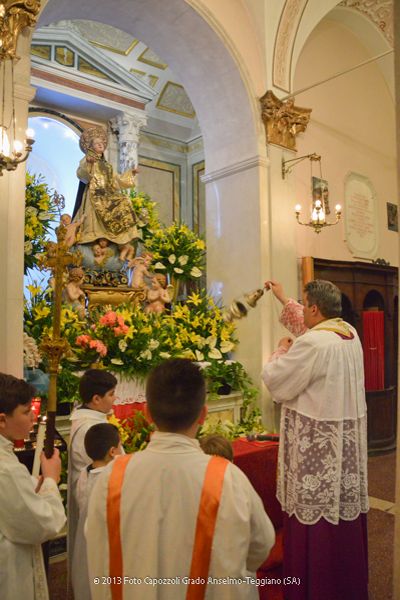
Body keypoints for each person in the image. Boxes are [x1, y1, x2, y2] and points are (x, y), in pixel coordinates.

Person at [86, 359, 275, 600]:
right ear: (203, 414)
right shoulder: (228, 478)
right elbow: (260, 546)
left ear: (148, 414)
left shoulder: (113, 476)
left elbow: (96, 544)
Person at [262, 279, 369, 600]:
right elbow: (308, 327)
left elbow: (277, 379)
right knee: (340, 521)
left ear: (314, 308)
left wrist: (281, 348)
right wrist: (283, 297)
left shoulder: (313, 344)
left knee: (316, 524)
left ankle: (314, 589)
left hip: (315, 449)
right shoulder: (347, 334)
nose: (302, 310)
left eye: (304, 302)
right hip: (342, 450)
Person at [0, 373, 66, 600]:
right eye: (26, 411)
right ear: (1, 420)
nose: (33, 417)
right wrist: (51, 480)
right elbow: (41, 523)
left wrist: (29, 488)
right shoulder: (5, 468)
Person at [67, 369, 118, 579]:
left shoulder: (90, 420)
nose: (116, 399)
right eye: (112, 394)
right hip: (94, 495)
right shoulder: (91, 427)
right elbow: (100, 464)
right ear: (96, 399)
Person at [71, 423, 122, 600]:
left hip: (87, 538)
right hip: (107, 541)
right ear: (113, 451)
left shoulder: (84, 474)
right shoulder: (112, 478)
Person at [72, 126, 139, 246]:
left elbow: (116, 181)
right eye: (97, 143)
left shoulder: (107, 166)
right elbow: (81, 175)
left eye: (102, 143)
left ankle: (122, 236)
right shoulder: (87, 160)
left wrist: (130, 174)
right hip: (94, 194)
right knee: (95, 211)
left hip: (107, 194)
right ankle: (96, 235)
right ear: (91, 146)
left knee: (124, 200)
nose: (100, 144)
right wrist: (88, 163)